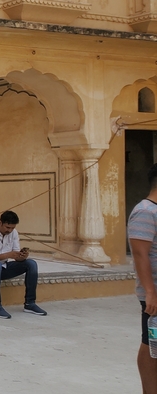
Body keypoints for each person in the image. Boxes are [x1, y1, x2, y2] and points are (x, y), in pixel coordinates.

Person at [0, 210, 47, 319]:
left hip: (2, 268)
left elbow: (15, 256)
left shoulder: (14, 233)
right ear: (0, 223)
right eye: (8, 227)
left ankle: (30, 304)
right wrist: (8, 254)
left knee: (31, 264)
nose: (10, 230)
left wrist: (22, 257)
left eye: (12, 228)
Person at [128, 163, 157, 393]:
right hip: (154, 293)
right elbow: (140, 254)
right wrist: (150, 291)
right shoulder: (145, 211)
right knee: (152, 344)